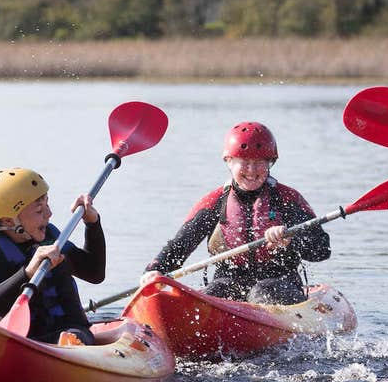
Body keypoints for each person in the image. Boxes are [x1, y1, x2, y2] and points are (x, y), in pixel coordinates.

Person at [141, 122, 330, 305]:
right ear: (229, 161)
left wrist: (291, 238)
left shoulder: (288, 199)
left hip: (281, 283)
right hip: (228, 280)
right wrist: (156, 270)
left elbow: (322, 249)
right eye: (245, 162)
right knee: (216, 292)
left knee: (262, 292)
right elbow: (180, 246)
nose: (252, 171)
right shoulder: (214, 202)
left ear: (270, 163)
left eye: (259, 163)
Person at [0, 167, 105, 345]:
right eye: (39, 210)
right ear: (10, 221)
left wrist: (92, 223)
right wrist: (27, 273)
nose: (49, 214)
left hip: (71, 333)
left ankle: (68, 346)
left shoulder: (53, 239)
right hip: (19, 342)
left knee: (77, 336)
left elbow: (94, 273)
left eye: (47, 204)